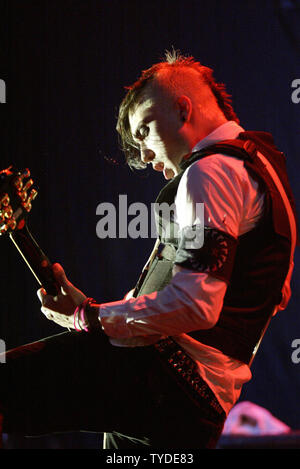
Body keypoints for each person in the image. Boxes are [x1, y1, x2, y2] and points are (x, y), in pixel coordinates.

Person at [0, 50, 298, 450]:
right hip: (195, 408)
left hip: (166, 380)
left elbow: (195, 306)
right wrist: (87, 312)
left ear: (182, 109)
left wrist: (89, 316)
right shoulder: (263, 169)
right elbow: (270, 295)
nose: (143, 156)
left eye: (144, 132)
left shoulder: (209, 172)